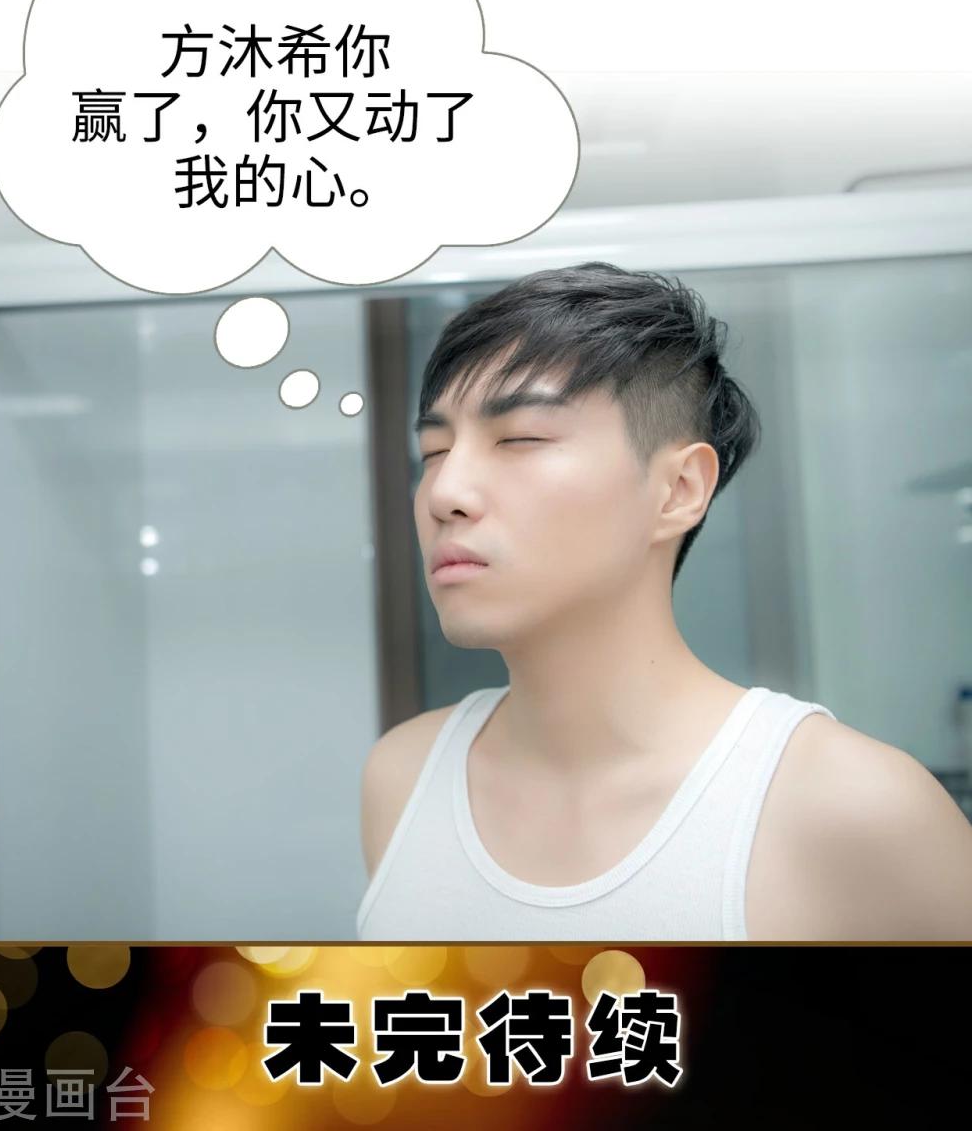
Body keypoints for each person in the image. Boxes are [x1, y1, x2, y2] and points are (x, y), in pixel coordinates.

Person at [356, 262, 972, 941]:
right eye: (434, 451)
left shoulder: (856, 808)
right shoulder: (403, 777)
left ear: (679, 489)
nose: (445, 493)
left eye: (520, 438)